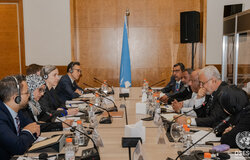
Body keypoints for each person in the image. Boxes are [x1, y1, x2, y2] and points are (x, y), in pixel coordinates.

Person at [0, 75, 40, 159]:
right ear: (16, 98)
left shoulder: (18, 110)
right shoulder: (1, 117)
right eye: (26, 93)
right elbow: (18, 147)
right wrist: (27, 131)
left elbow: (35, 128)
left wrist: (26, 134)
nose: (29, 95)